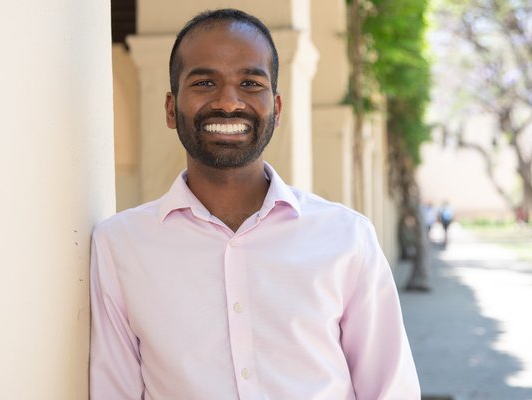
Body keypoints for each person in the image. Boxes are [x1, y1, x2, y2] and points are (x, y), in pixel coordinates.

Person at [90, 9, 419, 399]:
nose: (228, 103)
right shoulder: (120, 245)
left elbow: (390, 389)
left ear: (276, 109)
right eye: (204, 81)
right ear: (169, 108)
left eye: (249, 83)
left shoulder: (347, 237)